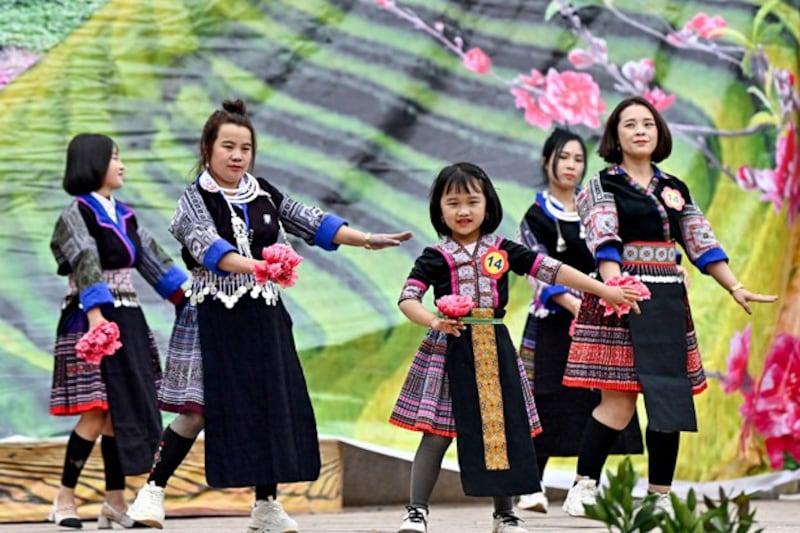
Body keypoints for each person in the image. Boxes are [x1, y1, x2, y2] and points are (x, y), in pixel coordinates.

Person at [125, 99, 412, 533]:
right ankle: (152, 493)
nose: (238, 156)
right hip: (212, 316)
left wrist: (367, 239)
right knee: (197, 409)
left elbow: (310, 222)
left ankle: (265, 506)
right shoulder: (193, 201)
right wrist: (260, 266)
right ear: (207, 148)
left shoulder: (262, 193)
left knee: (269, 405)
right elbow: (210, 250)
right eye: (228, 146)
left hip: (263, 314)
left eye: (245, 148)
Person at [389, 162, 643, 533]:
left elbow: (551, 270)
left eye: (472, 201)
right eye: (453, 202)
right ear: (439, 210)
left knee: (502, 430)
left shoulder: (504, 250)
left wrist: (604, 290)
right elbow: (408, 298)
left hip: (494, 347)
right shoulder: (434, 256)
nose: (463, 211)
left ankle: (505, 516)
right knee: (438, 432)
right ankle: (416, 512)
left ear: (488, 205)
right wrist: (433, 320)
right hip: (450, 348)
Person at [560, 96, 778, 517]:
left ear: (659, 133)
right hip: (621, 299)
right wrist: (612, 287)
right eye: (630, 124)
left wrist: (734, 286)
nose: (640, 130)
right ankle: (584, 485)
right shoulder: (601, 185)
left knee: (668, 399)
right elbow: (603, 239)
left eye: (648, 123)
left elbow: (700, 240)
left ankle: (659, 496)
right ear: (615, 136)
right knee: (619, 405)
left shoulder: (674, 188)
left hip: (666, 301)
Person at [49, 133, 188, 529]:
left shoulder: (125, 215)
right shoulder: (76, 213)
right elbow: (85, 259)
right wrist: (96, 315)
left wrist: (189, 298)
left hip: (127, 317)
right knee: (96, 410)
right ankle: (64, 498)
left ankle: (114, 501)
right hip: (89, 317)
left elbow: (153, 260)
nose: (121, 164)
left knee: (119, 412)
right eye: (114, 157)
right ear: (93, 163)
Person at [515, 129, 643, 514]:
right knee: (544, 402)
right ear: (546, 161)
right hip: (553, 323)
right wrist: (574, 306)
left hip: (601, 322)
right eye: (564, 157)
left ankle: (584, 487)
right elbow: (536, 267)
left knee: (600, 401)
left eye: (577, 160)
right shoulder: (536, 216)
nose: (571, 166)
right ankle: (530, 486)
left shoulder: (597, 211)